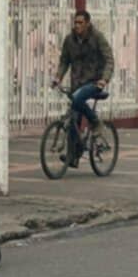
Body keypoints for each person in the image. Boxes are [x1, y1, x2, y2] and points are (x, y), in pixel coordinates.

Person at [56, 9, 112, 165]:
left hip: (94, 82)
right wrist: (58, 77)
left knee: (77, 99)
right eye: (75, 22)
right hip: (77, 83)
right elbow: (64, 61)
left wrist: (104, 79)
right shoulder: (69, 40)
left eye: (80, 23)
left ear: (87, 23)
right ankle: (73, 156)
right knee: (74, 117)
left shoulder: (97, 38)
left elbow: (109, 60)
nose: (77, 25)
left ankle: (95, 122)